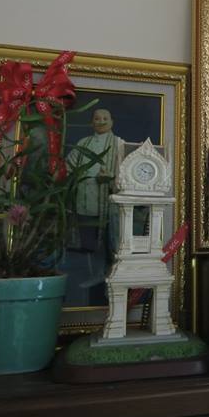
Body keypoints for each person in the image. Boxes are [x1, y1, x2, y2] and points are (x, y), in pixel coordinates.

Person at [63, 108, 124, 305]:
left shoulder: (119, 144)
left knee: (109, 241)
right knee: (89, 241)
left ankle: (112, 281)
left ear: (112, 122)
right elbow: (69, 166)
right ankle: (96, 275)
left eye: (105, 118)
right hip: (85, 199)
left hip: (107, 202)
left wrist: (112, 177)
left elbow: (126, 172)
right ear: (92, 122)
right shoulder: (84, 143)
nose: (101, 121)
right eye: (97, 118)